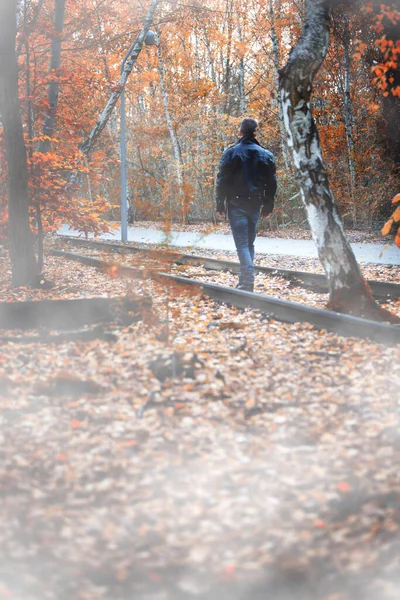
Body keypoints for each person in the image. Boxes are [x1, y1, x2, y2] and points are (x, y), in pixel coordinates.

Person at [216, 118, 277, 292]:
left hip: (237, 204)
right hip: (255, 204)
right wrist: (268, 205)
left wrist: (220, 205)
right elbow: (271, 183)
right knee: (249, 244)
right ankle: (244, 280)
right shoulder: (266, 154)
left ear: (240, 132)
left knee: (242, 245)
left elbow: (222, 180)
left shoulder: (231, 153)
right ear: (255, 132)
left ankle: (248, 283)